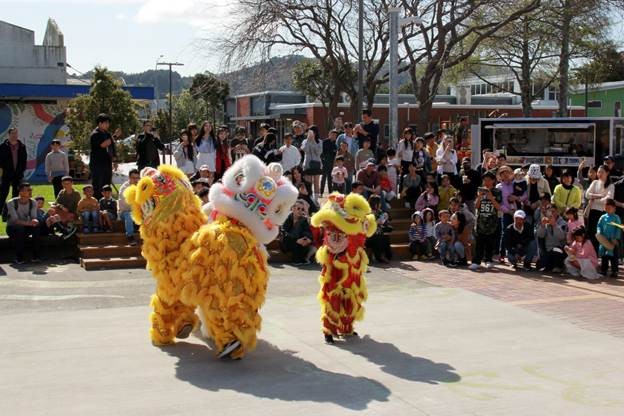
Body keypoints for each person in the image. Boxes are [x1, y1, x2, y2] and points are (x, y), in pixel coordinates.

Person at [469, 171, 502, 271]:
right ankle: (476, 262)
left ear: (493, 181)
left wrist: (491, 198)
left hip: (492, 222)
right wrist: (479, 196)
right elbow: (476, 206)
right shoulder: (480, 190)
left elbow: (499, 207)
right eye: (485, 180)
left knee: (490, 243)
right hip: (480, 222)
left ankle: (489, 260)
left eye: (489, 180)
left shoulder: (497, 192)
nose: (486, 182)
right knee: (479, 243)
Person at [5, 182, 40, 264]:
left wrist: (35, 221)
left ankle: (36, 255)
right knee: (20, 229)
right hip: (12, 228)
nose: (29, 192)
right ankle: (18, 257)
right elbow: (15, 221)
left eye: (29, 190)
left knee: (37, 227)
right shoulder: (11, 202)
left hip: (26, 226)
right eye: (26, 190)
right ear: (20, 192)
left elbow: (33, 217)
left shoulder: (33, 202)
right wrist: (30, 223)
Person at [585, 164, 614, 252]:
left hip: (604, 213)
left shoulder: (611, 185)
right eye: (598, 172)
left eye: (602, 172)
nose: (599, 174)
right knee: (592, 234)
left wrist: (594, 199)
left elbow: (608, 200)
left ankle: (602, 256)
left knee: (602, 235)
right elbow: (587, 195)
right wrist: (600, 196)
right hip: (593, 212)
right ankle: (593, 256)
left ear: (607, 173)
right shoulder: (595, 182)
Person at [0, 127, 28, 215]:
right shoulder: (2, 146)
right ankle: (1, 211)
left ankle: (14, 211)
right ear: (9, 134)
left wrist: (21, 170)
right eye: (12, 133)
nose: (14, 135)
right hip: (6, 174)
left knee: (16, 194)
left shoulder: (22, 146)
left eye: (16, 133)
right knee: (3, 193)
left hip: (18, 174)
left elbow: (24, 160)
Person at [280, 200, 316, 265]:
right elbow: (283, 232)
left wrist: (308, 239)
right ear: (293, 209)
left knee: (304, 236)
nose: (300, 211)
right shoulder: (288, 218)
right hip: (287, 243)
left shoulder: (304, 220)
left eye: (302, 209)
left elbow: (308, 233)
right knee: (294, 237)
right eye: (298, 208)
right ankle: (297, 260)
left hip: (300, 243)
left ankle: (300, 259)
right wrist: (296, 240)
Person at [89, 114, 114, 200]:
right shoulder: (95, 134)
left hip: (107, 163)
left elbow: (111, 147)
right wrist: (114, 136)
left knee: (107, 184)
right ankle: (96, 204)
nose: (108, 125)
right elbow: (103, 145)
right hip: (97, 164)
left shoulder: (107, 134)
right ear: (100, 123)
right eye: (106, 123)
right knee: (98, 186)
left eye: (108, 123)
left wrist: (114, 159)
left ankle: (106, 203)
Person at [536, 207, 567, 272]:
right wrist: (543, 226)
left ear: (557, 212)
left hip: (559, 249)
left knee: (556, 251)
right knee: (539, 265)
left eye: (553, 211)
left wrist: (554, 225)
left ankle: (558, 266)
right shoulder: (546, 222)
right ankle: (550, 266)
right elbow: (540, 235)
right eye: (550, 212)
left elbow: (562, 237)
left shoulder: (563, 223)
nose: (552, 214)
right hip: (548, 250)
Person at [596, 198, 621, 278]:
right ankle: (604, 270)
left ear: (614, 208)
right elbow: (599, 225)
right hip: (604, 240)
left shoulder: (616, 218)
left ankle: (614, 271)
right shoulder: (603, 217)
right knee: (604, 256)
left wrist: (616, 238)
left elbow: (618, 228)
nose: (607, 210)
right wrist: (599, 232)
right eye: (606, 208)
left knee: (614, 257)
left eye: (609, 208)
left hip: (613, 240)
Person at [496, 165, 515, 260]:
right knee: (505, 233)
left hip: (517, 212)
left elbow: (523, 195)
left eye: (507, 172)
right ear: (500, 175)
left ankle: (515, 254)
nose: (505, 175)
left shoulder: (514, 184)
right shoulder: (498, 187)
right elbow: (499, 203)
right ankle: (502, 253)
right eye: (503, 173)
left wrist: (517, 198)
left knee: (515, 233)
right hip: (506, 213)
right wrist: (508, 211)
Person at [366, 195, 392, 263]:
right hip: (368, 236)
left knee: (386, 238)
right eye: (379, 203)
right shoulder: (368, 212)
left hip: (378, 233)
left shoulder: (379, 211)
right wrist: (376, 222)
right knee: (378, 238)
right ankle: (379, 256)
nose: (380, 204)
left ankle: (387, 256)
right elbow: (367, 225)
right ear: (374, 203)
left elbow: (383, 224)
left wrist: (385, 218)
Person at [118, 168, 140, 245]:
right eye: (134, 178)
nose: (136, 180)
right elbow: (126, 203)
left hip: (138, 211)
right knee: (129, 214)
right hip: (124, 212)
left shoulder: (140, 186)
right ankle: (130, 237)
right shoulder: (124, 188)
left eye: (137, 178)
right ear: (129, 178)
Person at [301, 125, 323, 198]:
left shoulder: (319, 141)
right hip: (307, 164)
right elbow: (305, 150)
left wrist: (313, 141)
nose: (310, 134)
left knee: (316, 183)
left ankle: (316, 200)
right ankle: (309, 198)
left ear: (315, 133)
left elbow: (318, 152)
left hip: (317, 164)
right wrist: (308, 140)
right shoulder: (305, 141)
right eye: (309, 132)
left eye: (311, 132)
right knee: (308, 183)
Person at [320, 129, 338, 196]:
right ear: (329, 134)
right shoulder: (324, 142)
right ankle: (321, 192)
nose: (334, 136)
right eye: (332, 134)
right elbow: (321, 153)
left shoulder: (335, 144)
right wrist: (322, 162)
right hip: (324, 162)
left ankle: (330, 192)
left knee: (330, 178)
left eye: (335, 135)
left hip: (331, 163)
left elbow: (335, 154)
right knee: (323, 178)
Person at [397, 128, 415, 192]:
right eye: (406, 134)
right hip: (403, 162)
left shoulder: (413, 142)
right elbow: (398, 154)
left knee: (409, 178)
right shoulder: (401, 142)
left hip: (410, 163)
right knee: (403, 177)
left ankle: (408, 192)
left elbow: (413, 154)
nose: (407, 135)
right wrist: (399, 165)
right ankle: (401, 192)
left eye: (409, 134)